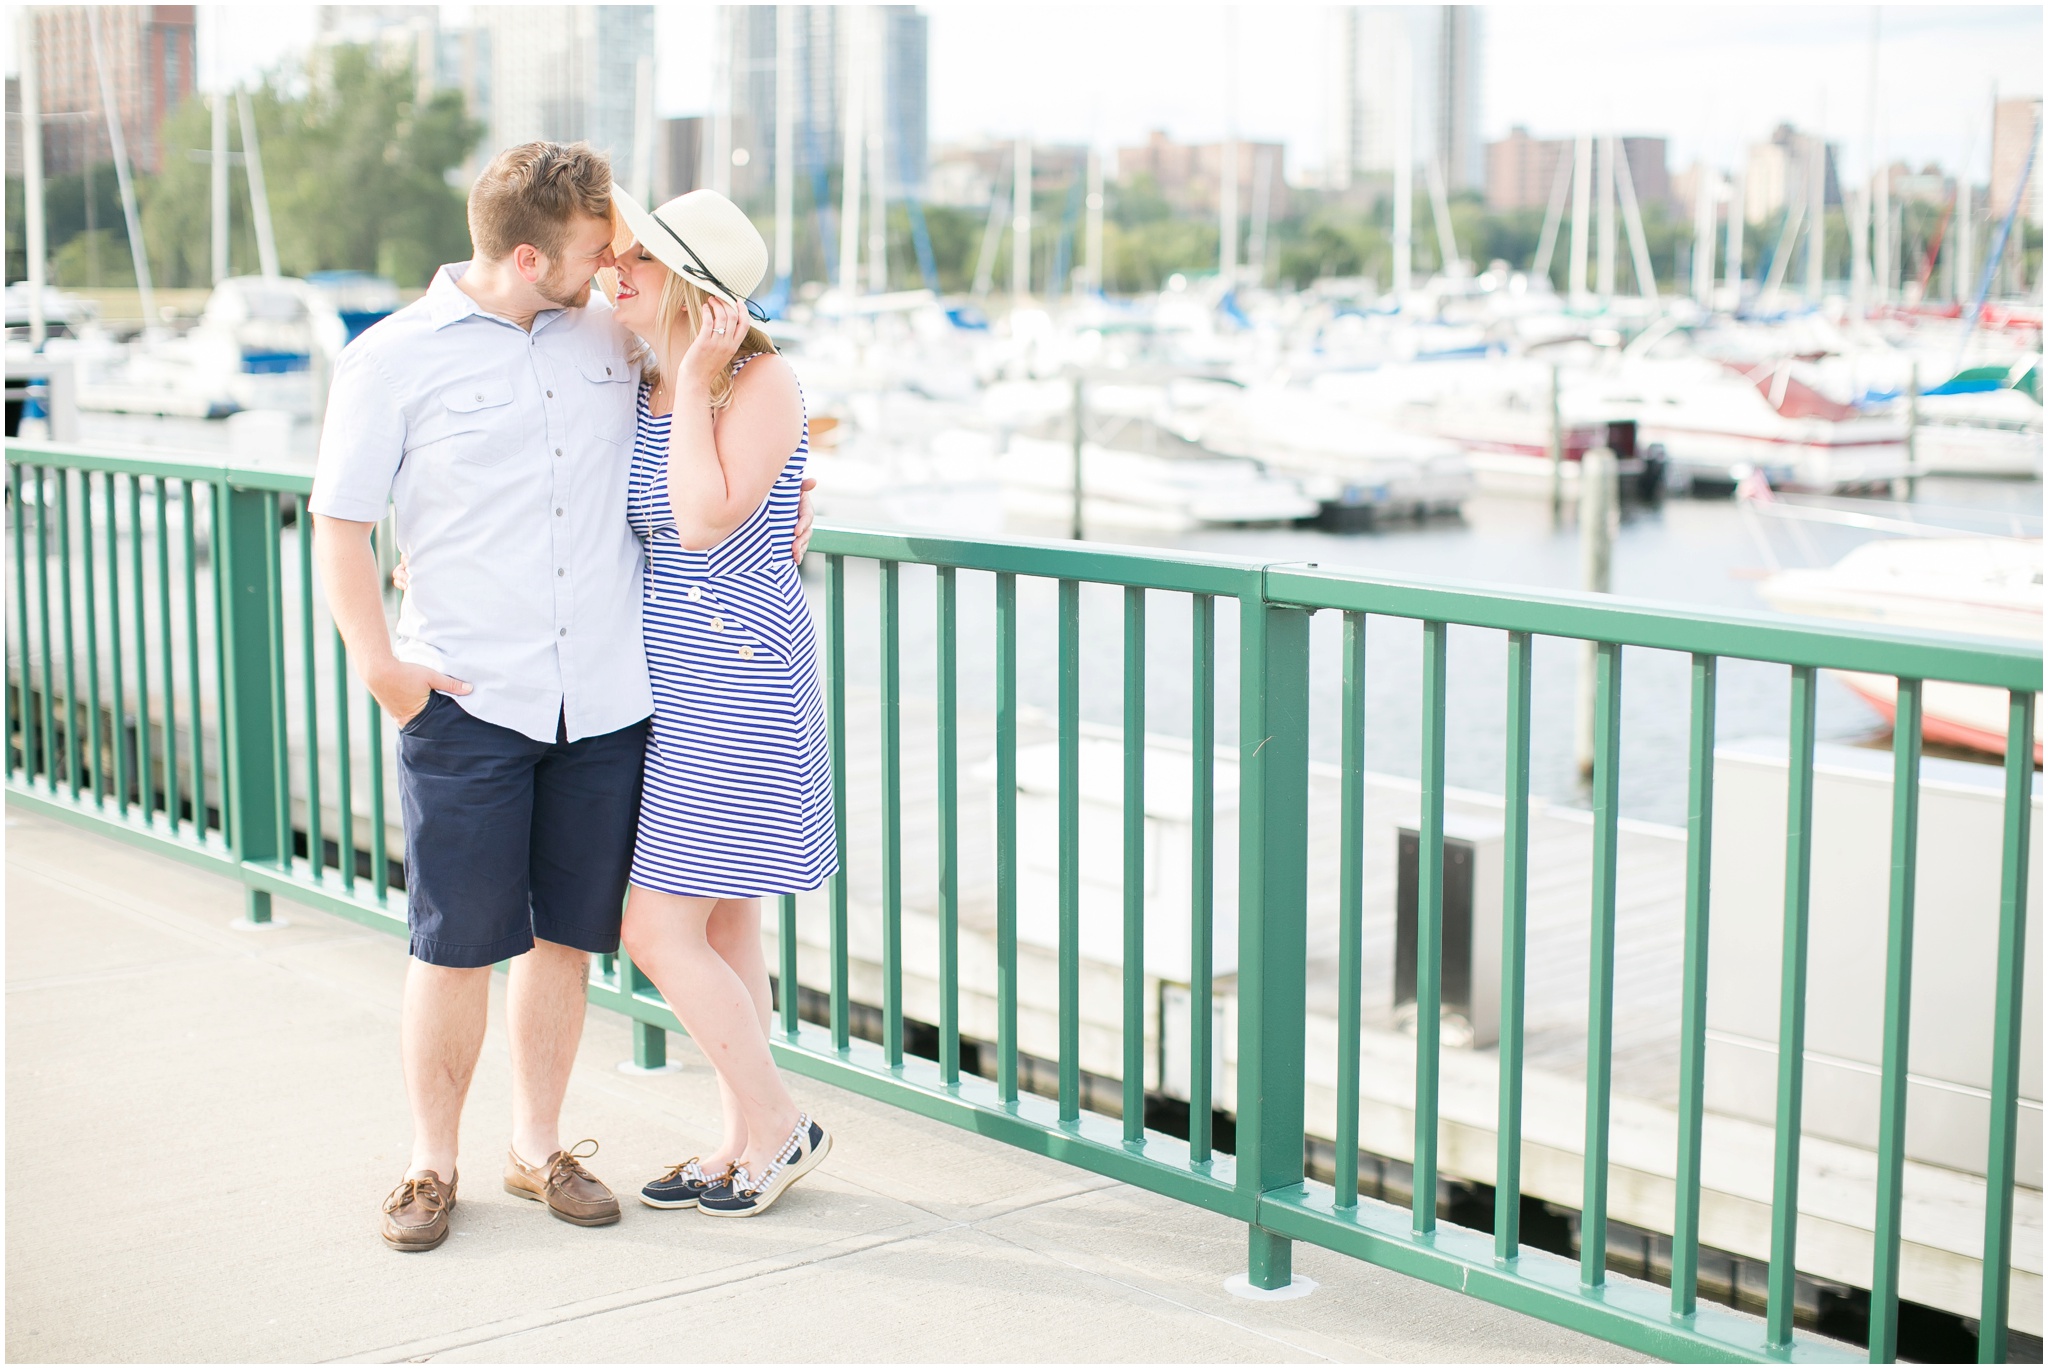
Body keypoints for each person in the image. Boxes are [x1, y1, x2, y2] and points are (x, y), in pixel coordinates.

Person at [310, 143, 811, 1253]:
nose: (612, 266)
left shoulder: (610, 334)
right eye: (598, 251)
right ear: (530, 254)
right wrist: (380, 664)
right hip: (468, 694)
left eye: (625, 254)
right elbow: (340, 520)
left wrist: (793, 501)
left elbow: (740, 389)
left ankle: (540, 1148)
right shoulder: (391, 358)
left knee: (566, 942)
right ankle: (429, 1164)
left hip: (608, 700)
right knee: (450, 944)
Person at [603, 186, 836, 1218]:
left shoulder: (757, 380)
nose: (617, 274)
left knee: (654, 928)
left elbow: (698, 521)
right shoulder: (636, 377)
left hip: (738, 675)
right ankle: (744, 1137)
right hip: (669, 678)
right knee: (725, 912)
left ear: (692, 289)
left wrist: (699, 372)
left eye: (639, 262)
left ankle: (781, 1121)